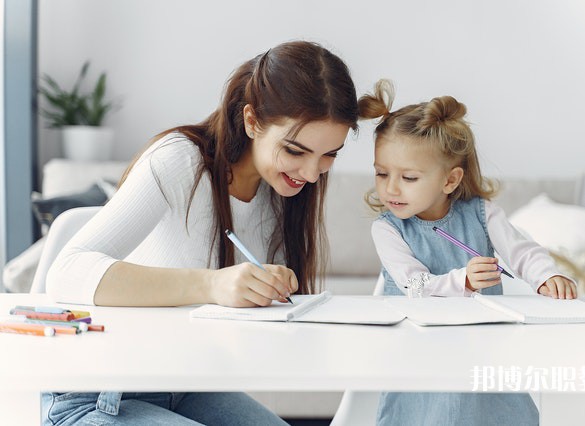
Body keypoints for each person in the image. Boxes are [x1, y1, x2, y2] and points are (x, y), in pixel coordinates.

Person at [42, 41, 359, 426]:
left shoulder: (282, 192)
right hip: (100, 395)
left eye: (329, 155)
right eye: (295, 151)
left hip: (189, 385)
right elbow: (68, 271)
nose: (311, 173)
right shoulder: (179, 161)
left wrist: (267, 292)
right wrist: (212, 285)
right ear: (252, 121)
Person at [358, 79, 577, 426]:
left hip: (483, 349)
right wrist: (465, 281)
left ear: (450, 180)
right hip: (420, 353)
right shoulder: (387, 229)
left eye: (409, 177)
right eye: (382, 173)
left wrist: (547, 275)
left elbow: (522, 252)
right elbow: (414, 286)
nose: (391, 188)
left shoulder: (482, 214)